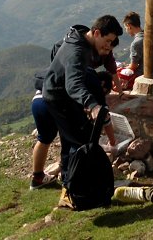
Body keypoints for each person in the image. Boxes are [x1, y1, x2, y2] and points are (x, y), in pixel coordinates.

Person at [42, 15, 122, 203]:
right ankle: (73, 193)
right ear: (96, 33)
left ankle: (73, 188)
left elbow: (55, 50)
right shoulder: (77, 51)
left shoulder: (78, 38)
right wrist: (92, 105)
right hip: (58, 98)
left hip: (63, 95)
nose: (108, 46)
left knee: (74, 141)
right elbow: (73, 85)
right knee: (77, 143)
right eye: (107, 40)